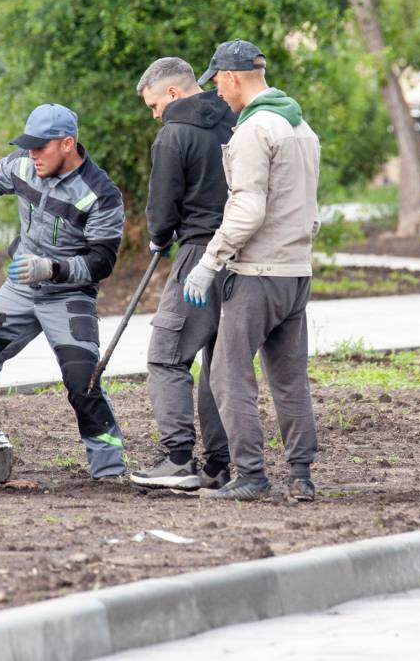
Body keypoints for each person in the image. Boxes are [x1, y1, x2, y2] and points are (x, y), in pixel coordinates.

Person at [182, 40, 322, 502]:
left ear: (235, 76)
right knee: (288, 376)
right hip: (296, 274)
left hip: (258, 274)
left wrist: (209, 262)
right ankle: (301, 475)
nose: (217, 91)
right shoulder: (301, 128)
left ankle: (251, 474)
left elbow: (246, 209)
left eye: (217, 80)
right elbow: (310, 211)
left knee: (226, 372)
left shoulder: (252, 131)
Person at [0, 103, 126, 479]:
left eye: (40, 147)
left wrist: (52, 269)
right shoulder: (22, 165)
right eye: (28, 146)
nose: (32, 155)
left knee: (84, 383)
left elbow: (102, 261)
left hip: (70, 296)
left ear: (67, 144)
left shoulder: (101, 195)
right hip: (19, 290)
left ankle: (110, 471)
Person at [128, 57, 237, 491]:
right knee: (218, 360)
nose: (155, 114)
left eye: (154, 105)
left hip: (197, 254)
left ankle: (177, 459)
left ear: (172, 93)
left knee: (167, 354)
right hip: (240, 253)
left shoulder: (174, 135)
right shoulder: (234, 120)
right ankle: (219, 463)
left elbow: (162, 208)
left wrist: (159, 236)